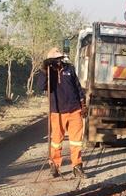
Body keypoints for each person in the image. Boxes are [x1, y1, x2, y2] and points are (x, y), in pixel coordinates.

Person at [35, 47, 88, 178]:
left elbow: (78, 87)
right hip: (57, 111)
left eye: (59, 58)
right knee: (56, 141)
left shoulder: (69, 69)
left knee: (76, 141)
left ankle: (77, 166)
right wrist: (44, 70)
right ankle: (55, 166)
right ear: (50, 61)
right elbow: (40, 87)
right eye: (55, 59)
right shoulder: (48, 72)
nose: (58, 61)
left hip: (75, 109)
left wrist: (83, 104)